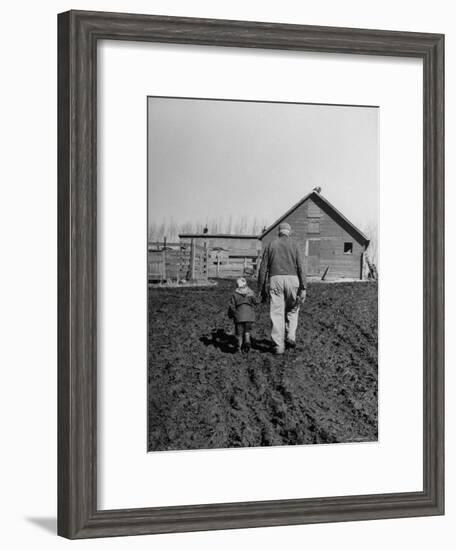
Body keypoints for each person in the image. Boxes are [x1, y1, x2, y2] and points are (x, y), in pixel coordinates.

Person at [257, 222, 307, 354]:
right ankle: (290, 335)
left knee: (277, 313)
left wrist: (261, 288)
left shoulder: (271, 245)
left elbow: (263, 268)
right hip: (293, 280)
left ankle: (278, 346)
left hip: (275, 279)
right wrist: (303, 287)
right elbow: (302, 267)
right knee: (293, 309)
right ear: (289, 232)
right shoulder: (295, 245)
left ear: (279, 232)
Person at [228, 277, 258, 353]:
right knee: (247, 330)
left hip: (239, 316)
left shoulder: (235, 295)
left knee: (239, 334)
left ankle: (238, 349)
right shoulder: (250, 293)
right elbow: (256, 301)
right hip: (249, 316)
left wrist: (231, 315)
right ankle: (247, 341)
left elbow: (232, 306)